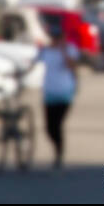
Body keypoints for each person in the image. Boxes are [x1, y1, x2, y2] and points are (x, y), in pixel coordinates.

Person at [37, 23, 79, 169]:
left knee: (57, 124)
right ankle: (57, 148)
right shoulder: (46, 51)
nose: (55, 40)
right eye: (54, 37)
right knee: (49, 127)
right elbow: (33, 63)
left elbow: (72, 66)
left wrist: (63, 50)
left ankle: (59, 153)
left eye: (58, 37)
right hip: (49, 93)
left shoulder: (70, 50)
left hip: (64, 93)